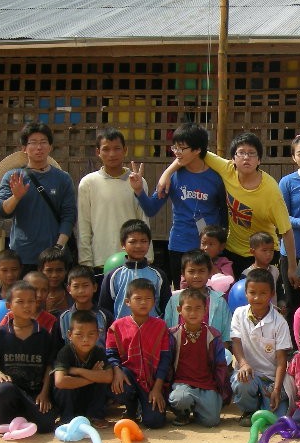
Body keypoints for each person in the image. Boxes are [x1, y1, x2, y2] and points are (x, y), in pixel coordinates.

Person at [159, 131, 298, 285]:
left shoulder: (271, 191)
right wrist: (167, 173)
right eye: (241, 153)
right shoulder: (227, 169)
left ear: (259, 160)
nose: (246, 157)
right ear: (233, 159)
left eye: (252, 154)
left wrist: (292, 266)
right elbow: (193, 152)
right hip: (233, 252)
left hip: (262, 252)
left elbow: (286, 230)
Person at [131, 123, 226, 288]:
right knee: (182, 297)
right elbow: (151, 209)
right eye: (175, 147)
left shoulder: (216, 178)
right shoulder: (173, 177)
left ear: (197, 150)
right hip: (179, 245)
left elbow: (224, 214)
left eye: (181, 148)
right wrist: (139, 190)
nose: (176, 152)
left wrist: (221, 244)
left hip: (208, 248)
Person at [0, 122, 76, 268]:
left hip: (54, 256)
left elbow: (69, 216)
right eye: (33, 143)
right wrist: (16, 197)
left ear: (50, 147)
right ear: (24, 148)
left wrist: (58, 247)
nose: (39, 147)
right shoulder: (12, 177)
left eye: (43, 142)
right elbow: (2, 211)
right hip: (23, 254)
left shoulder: (63, 178)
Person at [0, 281, 59, 432]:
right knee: (6, 392)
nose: (27, 306)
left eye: (31, 301)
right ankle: (1, 413)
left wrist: (44, 394)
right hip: (9, 387)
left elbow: (49, 366)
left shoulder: (43, 334)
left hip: (34, 391)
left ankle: (22, 413)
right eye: (20, 302)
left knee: (46, 425)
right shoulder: (1, 333)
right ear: (9, 306)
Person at [77, 128, 151, 271]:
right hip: (100, 259)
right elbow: (83, 224)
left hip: (131, 259)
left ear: (125, 150)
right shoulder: (88, 183)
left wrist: (147, 255)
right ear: (98, 152)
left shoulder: (137, 182)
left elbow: (143, 220)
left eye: (117, 148)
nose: (112, 154)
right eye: (106, 149)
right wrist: (85, 260)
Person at [105, 279, 172, 429]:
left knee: (155, 422)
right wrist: (117, 371)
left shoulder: (160, 326)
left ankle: (144, 407)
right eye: (138, 298)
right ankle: (131, 408)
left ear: (154, 301)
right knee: (121, 385)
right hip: (127, 376)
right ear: (128, 302)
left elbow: (165, 358)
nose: (143, 303)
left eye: (148, 299)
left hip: (152, 380)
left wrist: (157, 388)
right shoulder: (117, 326)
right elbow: (111, 353)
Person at [229, 269, 293, 425]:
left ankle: (264, 403)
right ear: (245, 293)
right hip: (249, 375)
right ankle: (249, 410)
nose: (257, 298)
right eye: (252, 292)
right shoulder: (239, 313)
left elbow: (281, 360)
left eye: (263, 293)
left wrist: (277, 389)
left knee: (276, 419)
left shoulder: (280, 322)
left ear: (272, 294)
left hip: (271, 380)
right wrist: (243, 364)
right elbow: (235, 342)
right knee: (241, 381)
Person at [167, 288, 230, 427]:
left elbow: (220, 365)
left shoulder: (213, 335)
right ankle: (183, 412)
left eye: (198, 308)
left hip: (207, 384)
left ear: (205, 310)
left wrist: (222, 390)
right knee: (180, 399)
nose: (193, 313)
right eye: (188, 308)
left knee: (212, 421)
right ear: (179, 309)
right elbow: (166, 364)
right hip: (182, 383)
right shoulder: (173, 335)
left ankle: (198, 409)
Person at [164, 250, 232, 359]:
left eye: (201, 271)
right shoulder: (175, 299)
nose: (196, 276)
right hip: (179, 357)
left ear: (209, 272)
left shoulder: (219, 301)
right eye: (191, 271)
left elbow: (225, 335)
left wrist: (222, 362)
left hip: (209, 357)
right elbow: (166, 330)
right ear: (183, 273)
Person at [99, 219, 171, 321]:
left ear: (149, 243)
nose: (138, 246)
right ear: (123, 244)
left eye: (143, 241)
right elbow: (105, 309)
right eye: (133, 242)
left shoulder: (158, 275)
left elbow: (167, 307)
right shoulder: (113, 276)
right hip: (122, 333)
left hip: (153, 331)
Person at [52, 309, 114, 428]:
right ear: (69, 335)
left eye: (91, 334)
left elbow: (108, 377)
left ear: (98, 334)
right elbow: (60, 381)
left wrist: (78, 371)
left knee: (101, 380)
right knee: (64, 384)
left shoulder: (98, 352)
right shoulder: (66, 352)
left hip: (89, 397)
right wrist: (93, 376)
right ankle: (67, 418)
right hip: (71, 397)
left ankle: (96, 416)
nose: (85, 339)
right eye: (79, 335)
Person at [58, 265, 111, 348]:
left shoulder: (105, 316)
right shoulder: (63, 318)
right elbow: (59, 348)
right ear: (69, 289)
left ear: (94, 287)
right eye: (76, 286)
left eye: (85, 285)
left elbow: (111, 345)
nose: (81, 291)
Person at [241, 232, 289, 315]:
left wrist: (282, 304)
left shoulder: (275, 271)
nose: (269, 254)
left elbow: (279, 290)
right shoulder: (246, 274)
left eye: (271, 250)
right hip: (253, 315)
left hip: (273, 315)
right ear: (252, 251)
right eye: (264, 250)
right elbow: (242, 298)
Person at [37, 245, 73, 316]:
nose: (54, 275)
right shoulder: (33, 295)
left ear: (66, 270)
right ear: (40, 270)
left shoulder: (72, 293)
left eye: (59, 270)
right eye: (49, 270)